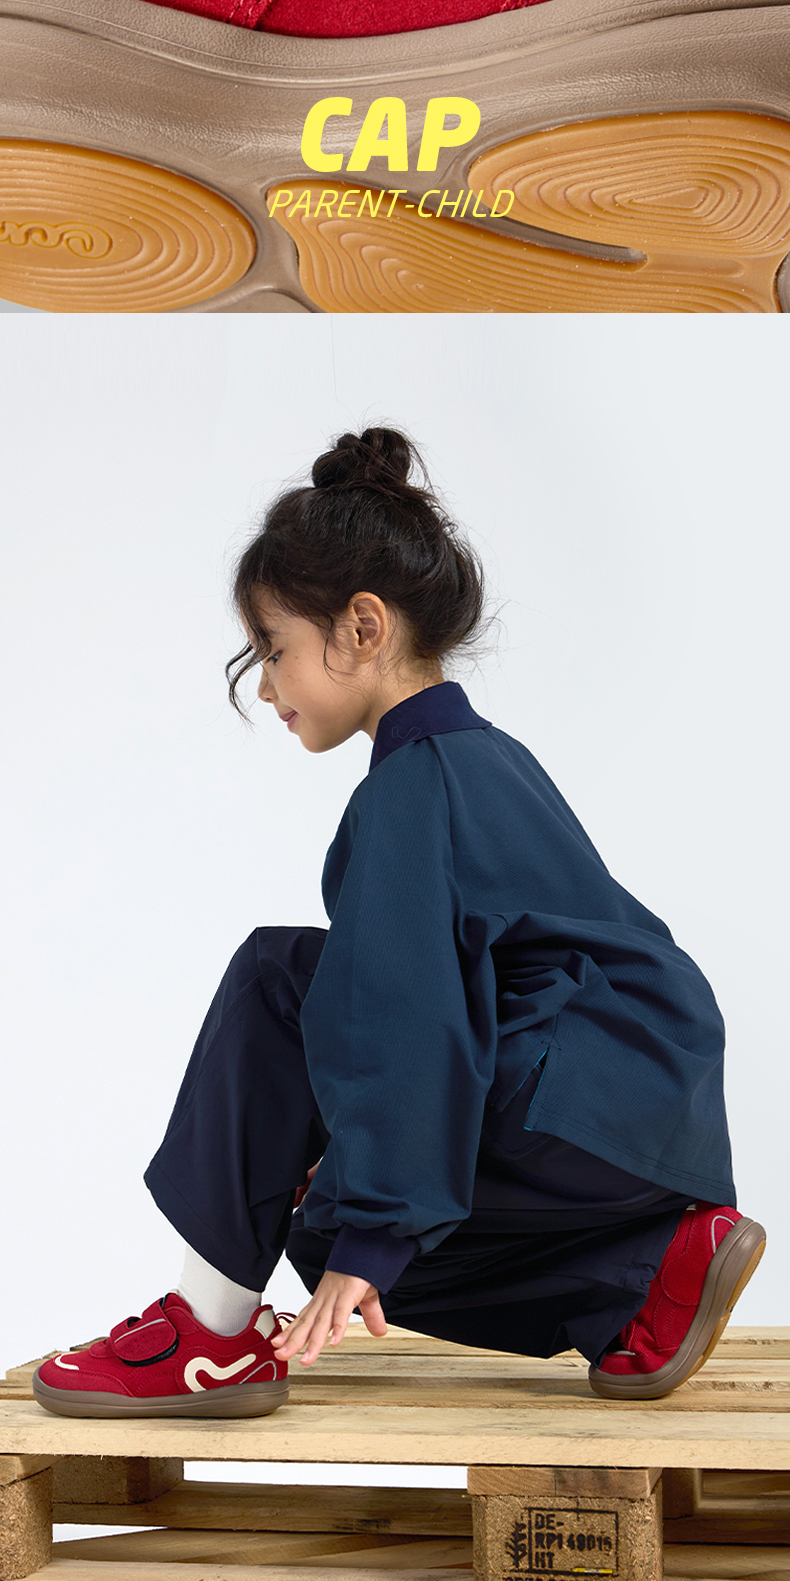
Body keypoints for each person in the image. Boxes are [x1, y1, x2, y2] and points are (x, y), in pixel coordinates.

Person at [33, 424, 765, 1421]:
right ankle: (645, 1275)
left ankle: (208, 1335)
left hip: (572, 1089)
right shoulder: (487, 756)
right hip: (637, 1111)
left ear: (363, 628)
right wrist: (364, 1225)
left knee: (279, 988)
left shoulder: (410, 791)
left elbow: (405, 1014)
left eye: (274, 649)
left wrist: (375, 1230)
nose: (266, 685)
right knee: (322, 1225)